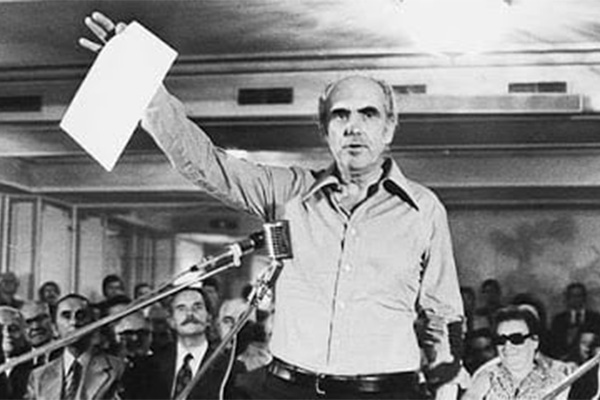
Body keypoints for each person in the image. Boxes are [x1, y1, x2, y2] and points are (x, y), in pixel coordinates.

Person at [80, 13, 464, 399]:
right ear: (324, 129)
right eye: (340, 114)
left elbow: (443, 312)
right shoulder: (288, 193)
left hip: (386, 391)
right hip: (289, 389)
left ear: (389, 127)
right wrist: (138, 79)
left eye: (369, 113)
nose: (353, 126)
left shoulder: (423, 209)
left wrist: (446, 383)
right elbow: (207, 165)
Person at [26, 294, 124, 400]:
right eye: (66, 316)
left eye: (81, 316)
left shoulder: (117, 369)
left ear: (93, 324)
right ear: (54, 328)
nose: (74, 322)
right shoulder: (39, 377)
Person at [463, 305, 572, 400]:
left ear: (535, 341)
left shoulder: (557, 381)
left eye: (516, 339)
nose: (507, 347)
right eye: (501, 340)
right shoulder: (486, 377)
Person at [150, 287, 240, 399]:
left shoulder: (230, 368)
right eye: (181, 309)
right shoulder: (151, 365)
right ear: (171, 321)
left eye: (197, 307)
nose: (190, 314)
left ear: (209, 318)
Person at [550, 282, 600, 359]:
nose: (576, 299)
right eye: (572, 296)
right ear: (567, 298)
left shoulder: (596, 318)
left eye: (579, 296)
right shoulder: (559, 320)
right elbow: (553, 344)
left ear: (584, 297)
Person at [0, 306, 32, 399]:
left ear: (25, 332)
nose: (6, 334)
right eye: (0, 329)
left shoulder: (36, 365)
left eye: (13, 328)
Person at [20, 301, 59, 366]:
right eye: (28, 322)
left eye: (40, 319)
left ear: (52, 320)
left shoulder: (66, 351)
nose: (35, 326)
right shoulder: (19, 361)